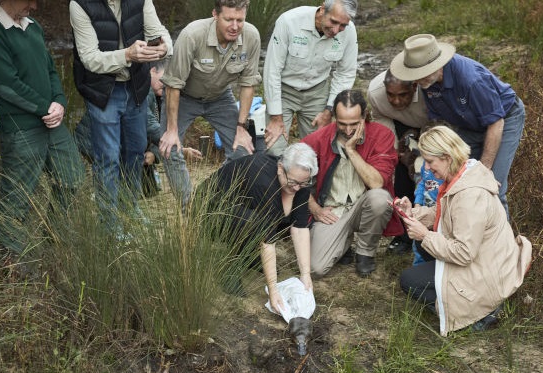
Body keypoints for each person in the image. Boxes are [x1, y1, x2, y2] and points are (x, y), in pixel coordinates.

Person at [0, 0, 85, 262]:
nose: (34, 6)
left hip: (51, 122)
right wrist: (45, 107)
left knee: (72, 177)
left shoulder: (32, 27)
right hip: (21, 128)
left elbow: (50, 70)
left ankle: (53, 239)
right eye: (30, 1)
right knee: (17, 198)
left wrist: (59, 101)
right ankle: (10, 266)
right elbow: (7, 86)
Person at [396, 125, 532, 336]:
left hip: (485, 274)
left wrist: (425, 235)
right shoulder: (465, 173)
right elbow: (446, 213)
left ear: (447, 157)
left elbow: (464, 253)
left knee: (409, 280)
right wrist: (414, 213)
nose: (428, 168)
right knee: (423, 246)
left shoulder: (469, 195)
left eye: (431, 162)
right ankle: (469, 301)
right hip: (486, 263)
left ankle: (482, 310)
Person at [390, 34, 525, 218]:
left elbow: (495, 122)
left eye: (421, 74)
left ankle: (501, 244)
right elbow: (440, 123)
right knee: (454, 178)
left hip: (502, 119)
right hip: (467, 123)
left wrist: (482, 170)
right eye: (414, 76)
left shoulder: (471, 80)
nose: (417, 81)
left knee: (491, 186)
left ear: (436, 65)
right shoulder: (427, 82)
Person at [69, 0, 172, 230]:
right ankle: (111, 224)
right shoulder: (79, 5)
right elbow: (89, 58)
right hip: (102, 90)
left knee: (135, 152)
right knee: (108, 158)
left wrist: (164, 47)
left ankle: (130, 209)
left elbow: (159, 32)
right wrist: (127, 54)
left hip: (135, 87)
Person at [158, 0, 262, 206]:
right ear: (215, 14)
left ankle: (213, 195)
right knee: (169, 149)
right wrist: (171, 129)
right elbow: (173, 85)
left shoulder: (252, 36)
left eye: (240, 20)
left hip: (220, 98)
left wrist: (241, 127)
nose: (235, 26)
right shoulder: (192, 35)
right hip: (184, 96)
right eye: (229, 19)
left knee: (242, 150)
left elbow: (248, 84)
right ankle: (190, 206)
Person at [301, 89, 403, 278]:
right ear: (333, 118)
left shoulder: (382, 135)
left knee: (380, 198)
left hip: (364, 205)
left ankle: (365, 252)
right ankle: (343, 242)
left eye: (354, 124)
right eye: (342, 124)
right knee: (316, 268)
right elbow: (293, 177)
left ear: (364, 116)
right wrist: (315, 209)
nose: (348, 131)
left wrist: (351, 151)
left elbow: (376, 183)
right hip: (332, 211)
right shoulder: (317, 139)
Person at [204, 143, 317, 310]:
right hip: (210, 211)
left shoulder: (300, 183)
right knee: (255, 222)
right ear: (280, 168)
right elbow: (267, 238)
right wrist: (273, 290)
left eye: (303, 183)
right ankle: (229, 268)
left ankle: (249, 254)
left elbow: (300, 228)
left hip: (245, 210)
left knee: (274, 217)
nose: (296, 188)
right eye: (292, 182)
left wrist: (305, 274)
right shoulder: (263, 180)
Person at [262, 0, 358, 156]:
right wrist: (275, 116)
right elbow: (272, 69)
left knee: (317, 149)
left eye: (342, 25)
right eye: (333, 22)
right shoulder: (289, 21)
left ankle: (310, 180)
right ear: (322, 10)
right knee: (274, 147)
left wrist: (329, 110)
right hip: (284, 90)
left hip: (317, 91)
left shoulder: (349, 31)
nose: (335, 30)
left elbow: (345, 73)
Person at [367, 70, 430, 254]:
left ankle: (431, 228)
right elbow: (382, 123)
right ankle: (404, 233)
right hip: (401, 123)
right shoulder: (376, 93)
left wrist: (425, 154)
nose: (395, 101)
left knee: (431, 175)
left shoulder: (429, 92)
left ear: (415, 86)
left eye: (402, 95)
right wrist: (398, 153)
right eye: (391, 95)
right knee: (403, 175)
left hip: (434, 121)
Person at [143, 60, 202, 197]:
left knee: (149, 192)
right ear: (152, 71)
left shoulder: (160, 95)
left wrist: (154, 152)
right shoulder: (143, 91)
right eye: (164, 79)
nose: (166, 85)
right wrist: (181, 149)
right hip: (115, 147)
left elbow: (160, 133)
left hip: (141, 150)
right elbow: (150, 127)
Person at [411, 157, 443, 265]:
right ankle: (418, 267)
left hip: (440, 215)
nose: (427, 166)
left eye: (430, 161)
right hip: (425, 211)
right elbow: (422, 183)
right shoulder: (426, 164)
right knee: (418, 242)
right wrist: (417, 202)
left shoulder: (446, 172)